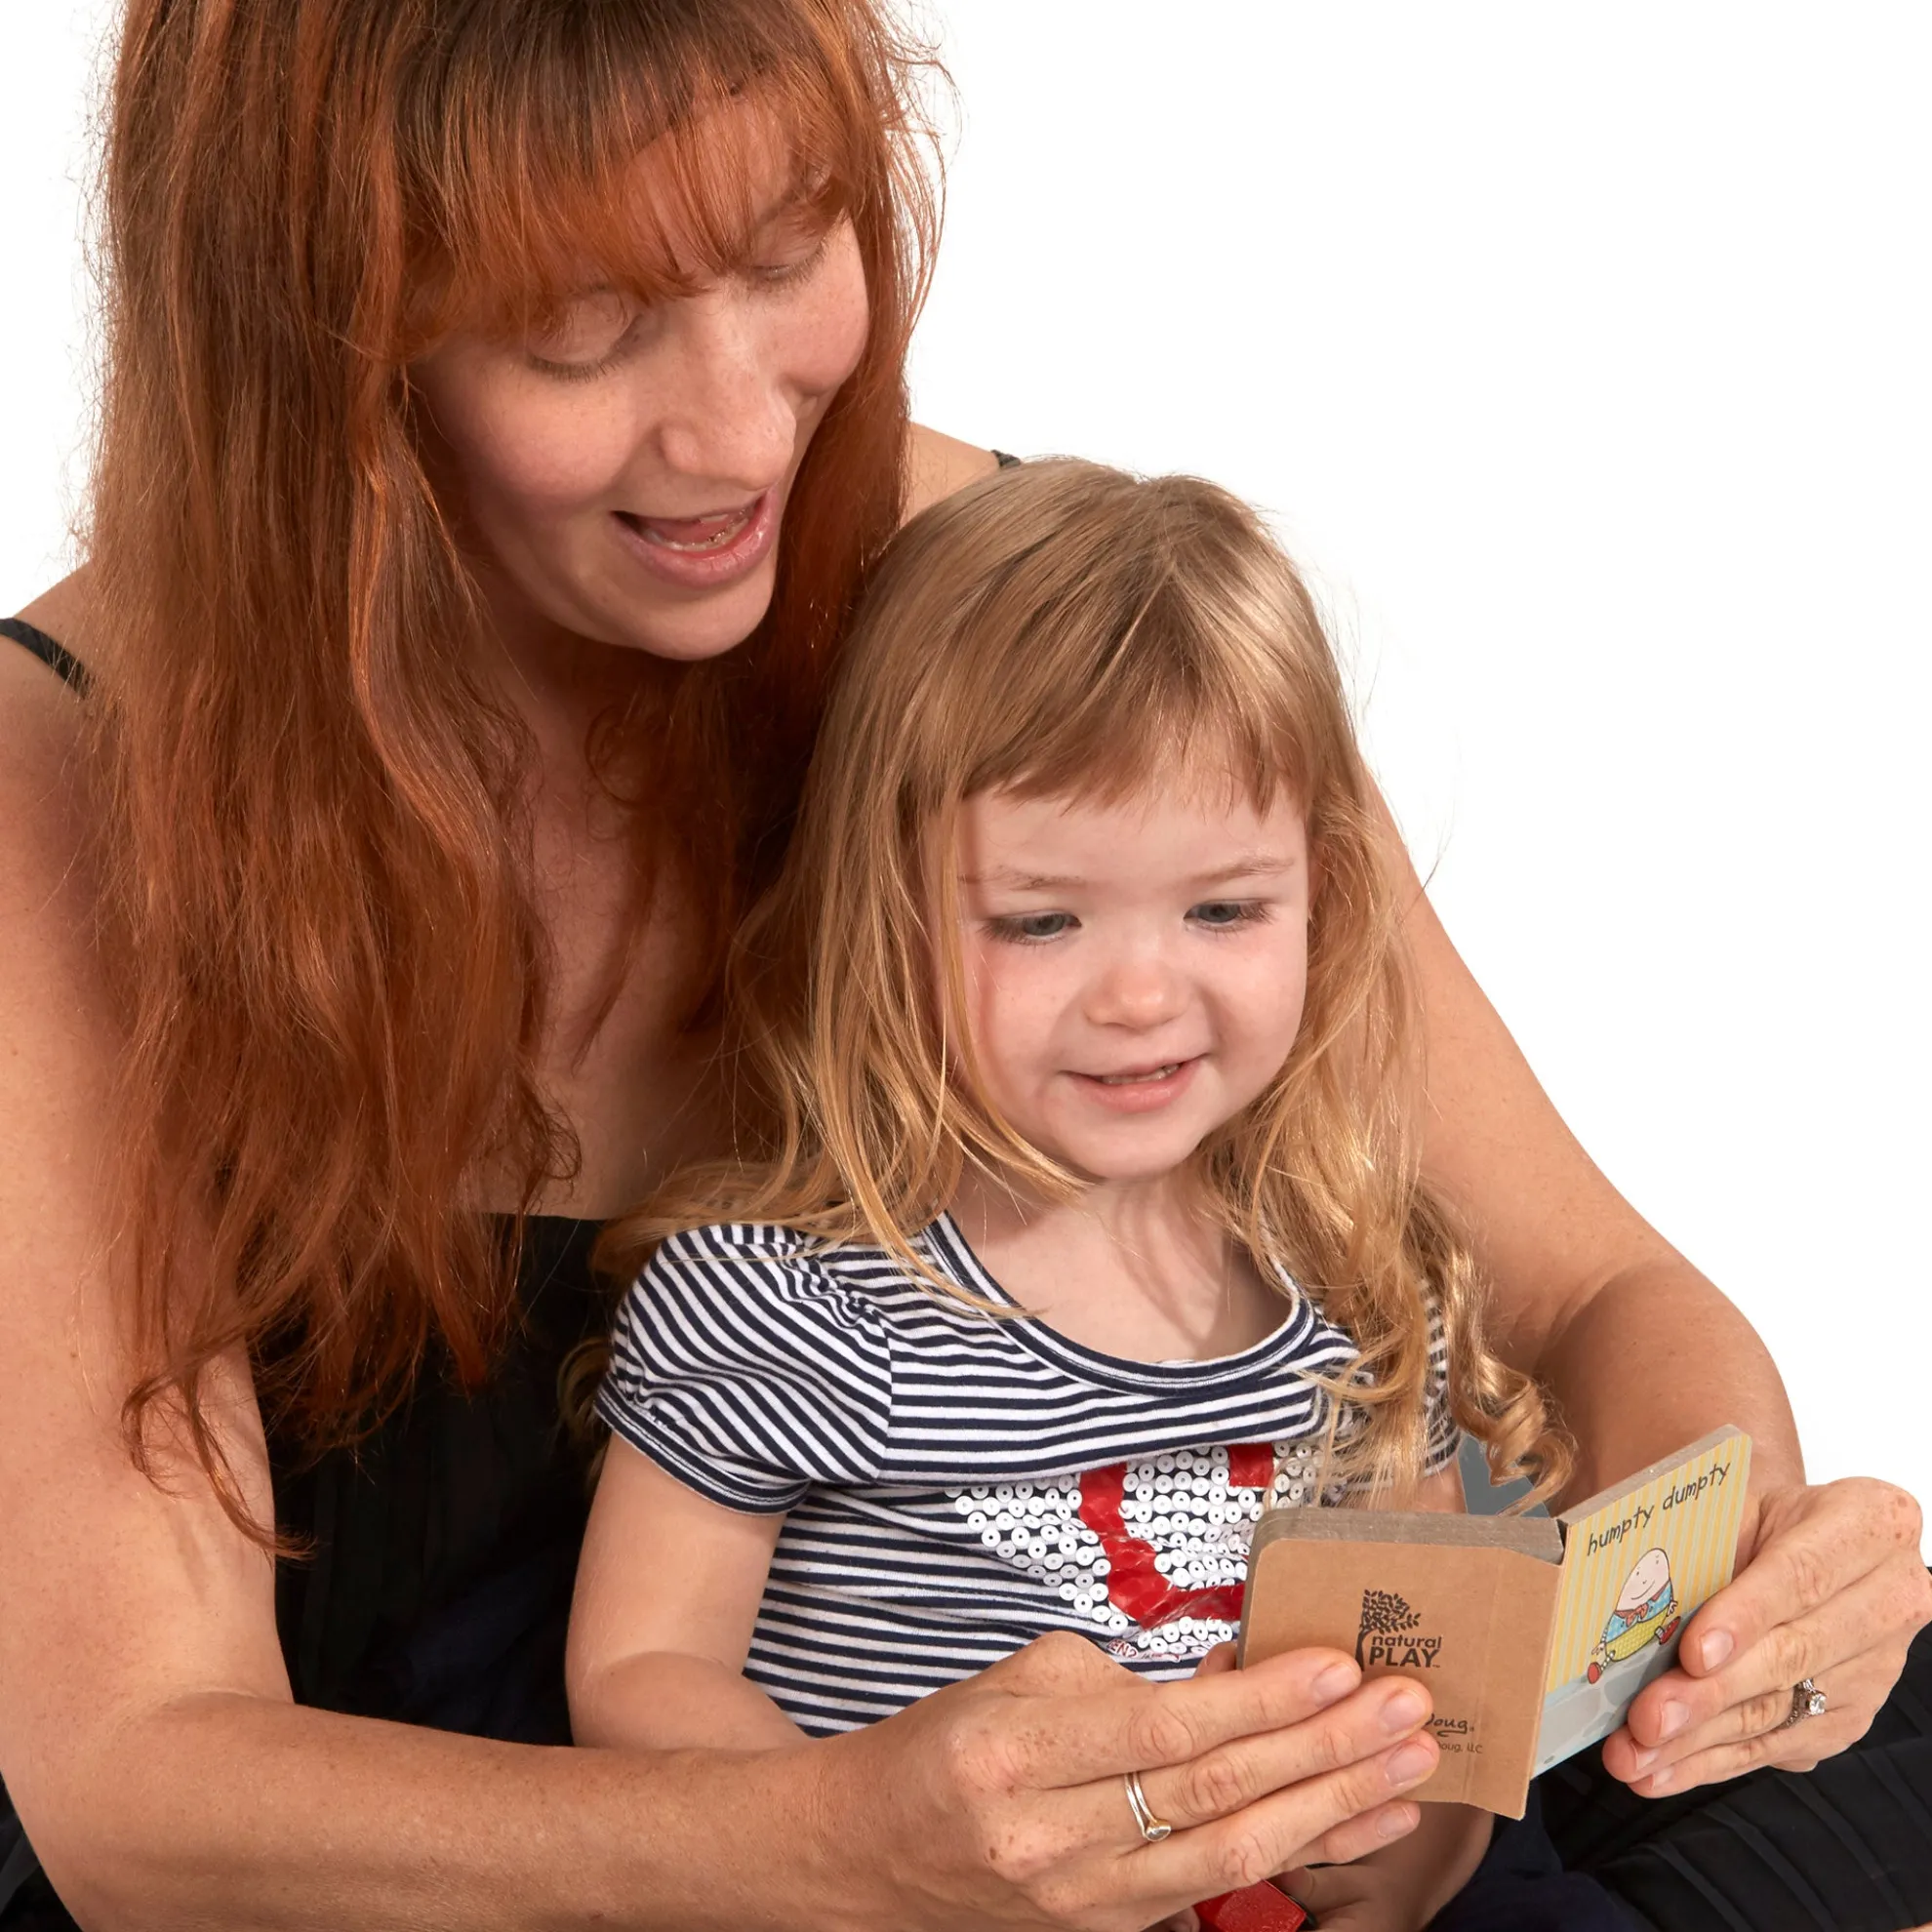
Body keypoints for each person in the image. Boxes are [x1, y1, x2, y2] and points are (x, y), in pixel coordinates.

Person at [0, 0, 1924, 1926]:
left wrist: (1734, 1569)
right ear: (326, 334)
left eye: (786, 253)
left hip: (1181, 1783)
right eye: (578, 332)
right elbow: (137, 1785)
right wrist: (841, 1848)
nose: (744, 427)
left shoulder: (1016, 614)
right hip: (501, 1853)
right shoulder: (67, 780)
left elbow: (1590, 1288)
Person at [568, 457, 1575, 1931]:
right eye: (1042, 920)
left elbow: (1427, 1680)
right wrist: (860, 1850)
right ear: (886, 914)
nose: (1143, 994)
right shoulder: (780, 1298)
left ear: (1326, 899)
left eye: (1225, 908)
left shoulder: (1360, 1283)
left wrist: (1419, 1852)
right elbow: (637, 1677)